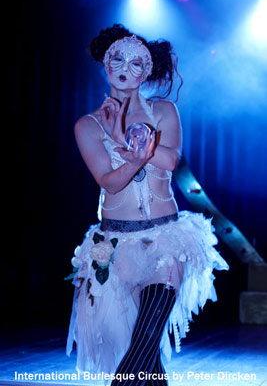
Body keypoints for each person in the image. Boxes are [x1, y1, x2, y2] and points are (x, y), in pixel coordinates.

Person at [66, 24, 229, 385]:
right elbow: (110, 180)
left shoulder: (164, 112)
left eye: (137, 62)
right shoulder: (88, 125)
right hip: (114, 246)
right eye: (118, 58)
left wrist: (121, 139)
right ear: (105, 64)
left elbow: (170, 161)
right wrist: (121, 143)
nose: (126, 66)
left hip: (166, 243)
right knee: (147, 364)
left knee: (142, 345)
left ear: (148, 70)